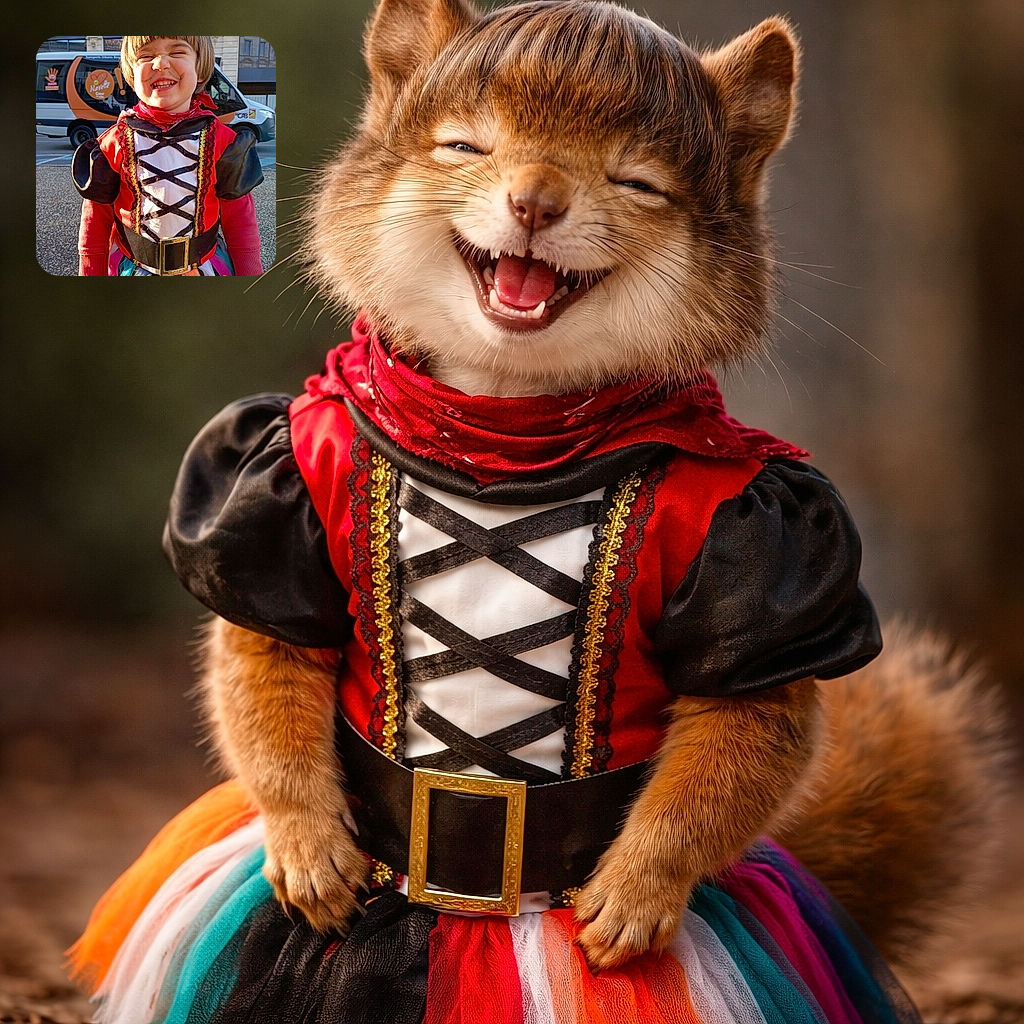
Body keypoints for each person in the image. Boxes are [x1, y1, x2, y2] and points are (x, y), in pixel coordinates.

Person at [72, 36, 264, 276]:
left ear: (201, 69)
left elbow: (241, 223)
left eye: (177, 52)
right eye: (146, 56)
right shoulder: (112, 143)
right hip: (134, 269)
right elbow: (94, 225)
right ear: (131, 75)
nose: (160, 63)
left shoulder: (225, 143)